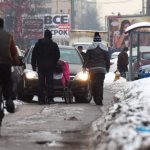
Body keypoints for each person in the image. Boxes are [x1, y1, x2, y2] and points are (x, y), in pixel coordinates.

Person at [31, 29, 60, 105]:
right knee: (50, 82)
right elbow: (57, 55)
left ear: (44, 35)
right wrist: (53, 63)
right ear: (50, 36)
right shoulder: (54, 45)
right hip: (50, 66)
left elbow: (34, 56)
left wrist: (34, 66)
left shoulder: (38, 44)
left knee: (41, 82)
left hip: (40, 66)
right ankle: (50, 99)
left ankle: (41, 99)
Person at [83, 32, 110, 106]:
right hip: (101, 70)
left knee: (93, 84)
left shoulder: (90, 48)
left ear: (93, 40)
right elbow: (107, 59)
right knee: (100, 85)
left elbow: (86, 59)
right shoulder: (104, 48)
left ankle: (95, 99)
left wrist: (84, 67)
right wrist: (107, 68)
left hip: (93, 70)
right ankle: (100, 100)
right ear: (100, 40)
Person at [0, 17, 20, 113]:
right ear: (3, 25)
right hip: (5, 64)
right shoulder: (8, 36)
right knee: (7, 82)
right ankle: (8, 100)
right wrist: (15, 60)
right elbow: (13, 52)